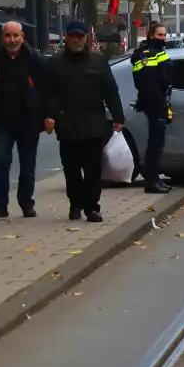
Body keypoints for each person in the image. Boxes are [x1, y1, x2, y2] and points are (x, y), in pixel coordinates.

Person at [45, 21, 126, 222]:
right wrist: (50, 116)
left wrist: (118, 117)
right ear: (66, 37)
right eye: (72, 36)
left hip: (93, 123)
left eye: (79, 36)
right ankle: (75, 203)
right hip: (67, 124)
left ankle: (92, 207)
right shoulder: (56, 63)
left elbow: (110, 90)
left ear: (85, 38)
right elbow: (49, 93)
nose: (75, 40)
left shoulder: (98, 61)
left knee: (92, 170)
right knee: (71, 170)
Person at [0, 21, 48, 219]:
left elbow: (45, 90)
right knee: (0, 163)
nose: (12, 40)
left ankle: (26, 202)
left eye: (16, 35)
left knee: (27, 166)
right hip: (2, 122)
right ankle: (0, 205)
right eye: (8, 36)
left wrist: (47, 115)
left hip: (29, 121)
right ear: (2, 38)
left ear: (23, 37)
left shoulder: (35, 60)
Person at [130, 22, 174, 195]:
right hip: (154, 102)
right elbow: (148, 81)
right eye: (159, 35)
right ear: (150, 35)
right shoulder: (146, 53)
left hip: (158, 101)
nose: (163, 38)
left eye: (164, 35)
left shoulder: (158, 51)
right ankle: (151, 182)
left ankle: (155, 179)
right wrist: (159, 102)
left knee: (158, 144)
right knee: (155, 144)